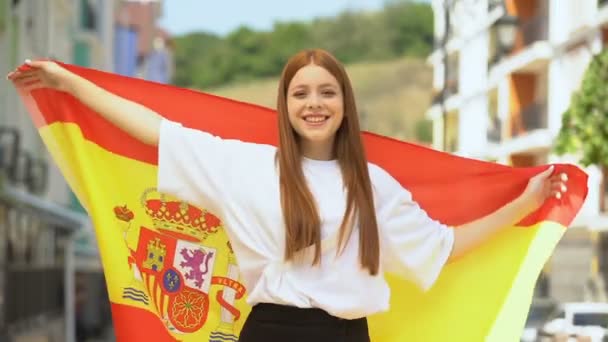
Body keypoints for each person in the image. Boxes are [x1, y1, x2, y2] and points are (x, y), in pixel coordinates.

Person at [7, 49, 568, 342]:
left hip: (349, 339)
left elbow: (444, 247)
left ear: (345, 104)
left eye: (327, 91)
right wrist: (68, 82)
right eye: (301, 92)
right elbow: (154, 130)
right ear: (286, 106)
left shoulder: (373, 186)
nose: (314, 102)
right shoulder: (246, 166)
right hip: (272, 334)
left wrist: (527, 201)